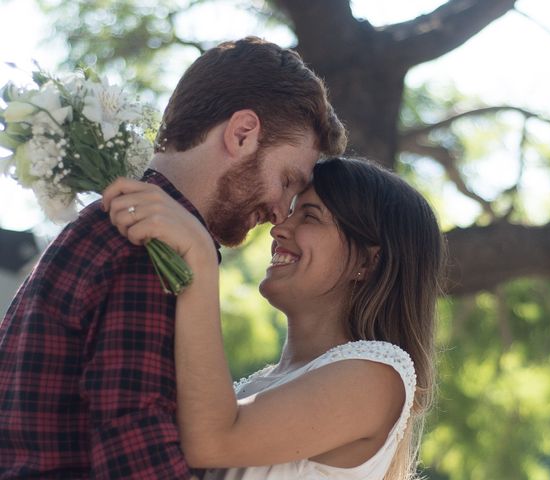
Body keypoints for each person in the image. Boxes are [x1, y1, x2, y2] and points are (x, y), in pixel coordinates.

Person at [0, 37, 346, 479]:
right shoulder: (153, 248)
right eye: (287, 180)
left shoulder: (110, 224)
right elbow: (135, 445)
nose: (281, 212)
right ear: (242, 134)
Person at [103, 157, 444, 480]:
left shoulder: (378, 376)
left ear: (369, 263)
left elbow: (213, 441)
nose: (278, 229)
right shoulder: (259, 387)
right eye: (290, 212)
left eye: (309, 216)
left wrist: (199, 256)